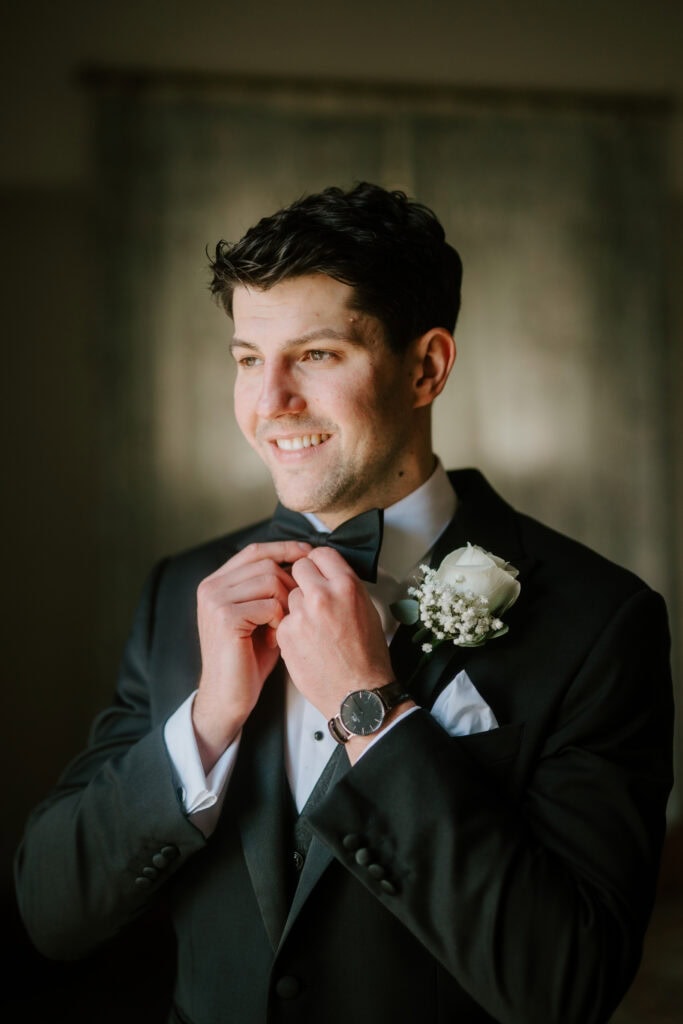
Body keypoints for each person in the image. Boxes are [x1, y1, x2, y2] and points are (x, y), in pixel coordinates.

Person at [15, 182, 673, 1024]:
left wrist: (374, 712)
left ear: (426, 366)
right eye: (249, 358)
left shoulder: (598, 620)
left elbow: (565, 984)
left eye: (316, 355)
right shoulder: (184, 590)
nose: (268, 404)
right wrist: (209, 720)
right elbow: (51, 913)